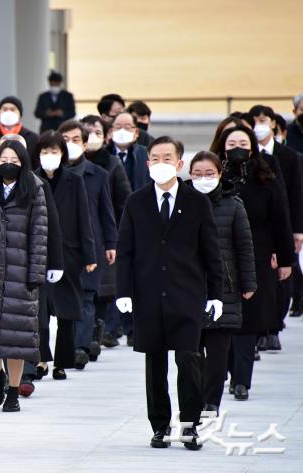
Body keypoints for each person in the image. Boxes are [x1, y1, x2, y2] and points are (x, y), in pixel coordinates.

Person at [116, 136, 223, 450]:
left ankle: (189, 426)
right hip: (148, 295)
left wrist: (215, 294)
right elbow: (125, 251)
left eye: (167, 158)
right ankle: (160, 426)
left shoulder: (196, 202)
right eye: (155, 158)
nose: (160, 164)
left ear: (179, 164)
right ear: (147, 163)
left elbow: (210, 252)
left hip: (187, 294)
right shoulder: (136, 201)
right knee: (155, 363)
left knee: (188, 359)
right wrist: (124, 290)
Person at [214, 126, 294, 401]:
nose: (237, 146)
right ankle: (223, 369)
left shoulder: (265, 177)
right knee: (222, 319)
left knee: (247, 320)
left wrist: (285, 258)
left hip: (257, 256)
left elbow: (280, 218)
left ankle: (241, 380)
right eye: (231, 142)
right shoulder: (213, 176)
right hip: (220, 256)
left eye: (243, 142)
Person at [0, 141, 48, 412]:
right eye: (3, 158)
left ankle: (13, 390)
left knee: (17, 335)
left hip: (19, 270)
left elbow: (39, 231)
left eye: (14, 158)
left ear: (23, 160)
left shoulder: (33, 187)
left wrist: (35, 273)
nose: (8, 162)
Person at [188, 151, 256, 416]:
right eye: (197, 174)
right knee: (191, 351)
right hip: (189, 286)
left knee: (217, 351)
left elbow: (244, 247)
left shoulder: (233, 205)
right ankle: (194, 395)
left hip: (224, 288)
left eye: (209, 174)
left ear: (219, 174)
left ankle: (211, 400)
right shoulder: (182, 203)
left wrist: (248, 283)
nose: (203, 179)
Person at [33, 131, 96, 379]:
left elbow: (84, 219)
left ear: (63, 154)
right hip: (39, 251)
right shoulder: (33, 180)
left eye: (55, 151)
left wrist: (89, 255)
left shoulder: (74, 180)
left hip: (69, 252)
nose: (50, 156)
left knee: (67, 310)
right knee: (40, 311)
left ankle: (62, 361)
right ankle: (41, 360)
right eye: (45, 152)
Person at [59, 121, 117, 366]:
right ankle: (81, 339)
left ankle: (81, 347)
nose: (70, 145)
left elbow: (106, 211)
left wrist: (111, 243)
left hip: (91, 244)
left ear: (84, 144)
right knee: (66, 298)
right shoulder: (54, 174)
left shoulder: (98, 174)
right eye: (66, 139)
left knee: (86, 296)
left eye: (75, 140)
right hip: (62, 246)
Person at [246, 105, 303, 351]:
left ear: (273, 123)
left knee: (282, 277)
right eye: (255, 121)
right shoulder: (246, 159)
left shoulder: (288, 157)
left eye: (263, 120)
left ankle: (274, 326)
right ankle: (262, 329)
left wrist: (297, 230)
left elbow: (295, 195)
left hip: (283, 224)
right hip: (257, 228)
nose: (259, 125)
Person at [80, 115, 132, 348]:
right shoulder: (69, 164)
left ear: (106, 136)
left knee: (104, 289)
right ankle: (88, 337)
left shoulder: (111, 164)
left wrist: (117, 237)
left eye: (97, 132)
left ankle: (102, 331)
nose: (92, 136)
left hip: (103, 232)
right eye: (87, 131)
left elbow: (122, 202)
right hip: (80, 235)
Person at [108, 112, 150, 197]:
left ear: (136, 132)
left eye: (127, 127)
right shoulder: (103, 154)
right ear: (111, 131)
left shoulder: (147, 155)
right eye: (118, 127)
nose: (122, 131)